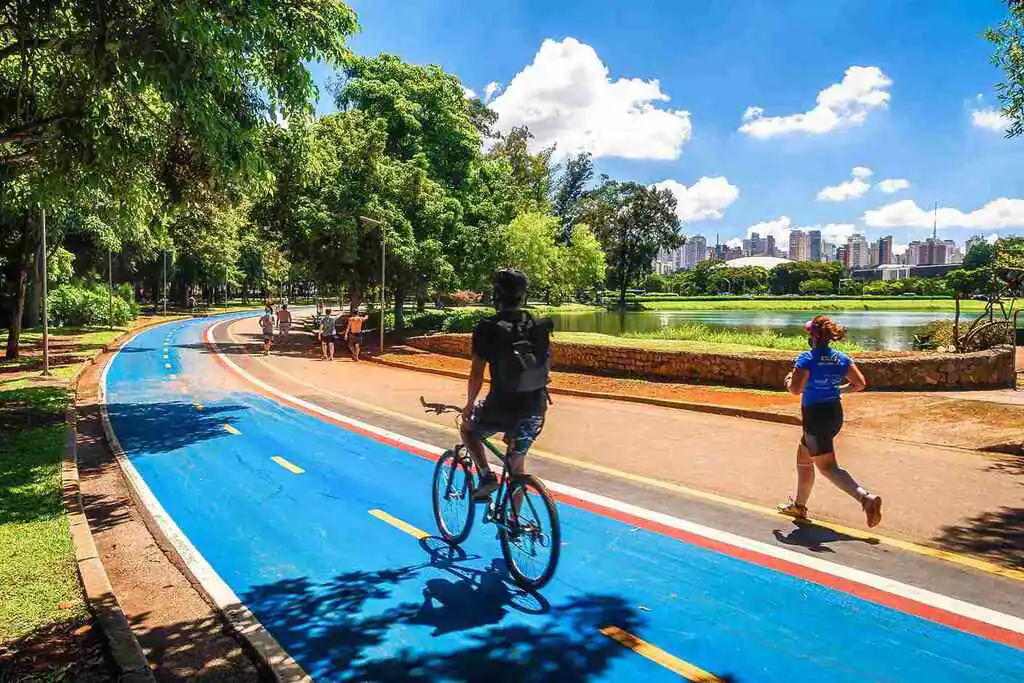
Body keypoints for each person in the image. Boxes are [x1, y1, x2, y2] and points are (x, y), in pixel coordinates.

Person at [779, 315, 882, 528]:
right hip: (834, 414)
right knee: (804, 457)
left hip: (815, 417)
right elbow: (859, 384)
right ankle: (799, 506)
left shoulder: (806, 358)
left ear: (813, 337)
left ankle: (865, 498)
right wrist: (836, 389)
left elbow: (795, 389)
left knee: (828, 467)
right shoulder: (841, 358)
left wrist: (788, 380)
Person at [461, 269, 553, 502]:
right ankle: (514, 520)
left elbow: (476, 374)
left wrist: (469, 404)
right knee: (516, 466)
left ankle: (486, 477)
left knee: (468, 430)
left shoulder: (487, 327)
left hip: (500, 408)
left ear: (496, 295)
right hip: (536, 407)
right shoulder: (536, 325)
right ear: (523, 296)